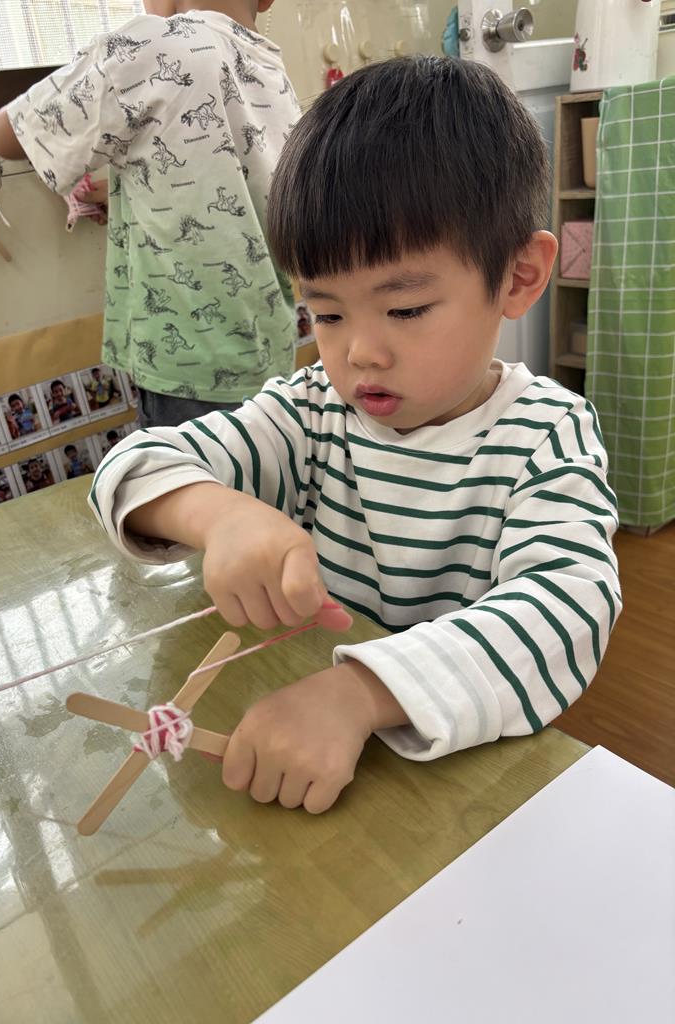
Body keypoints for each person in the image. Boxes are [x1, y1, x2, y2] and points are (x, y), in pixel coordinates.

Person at [89, 57, 622, 814]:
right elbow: (135, 463)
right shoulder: (313, 412)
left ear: (518, 277)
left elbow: (568, 609)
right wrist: (220, 515)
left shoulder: (545, 435)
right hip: (312, 750)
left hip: (456, 778)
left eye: (404, 310)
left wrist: (361, 692)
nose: (360, 353)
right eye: (328, 314)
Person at [0, 0, 300, 430]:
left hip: (191, 364)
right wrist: (125, 188)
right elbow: (226, 172)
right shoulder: (269, 66)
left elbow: (6, 136)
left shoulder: (149, 43)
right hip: (272, 347)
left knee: (184, 472)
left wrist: (105, 59)